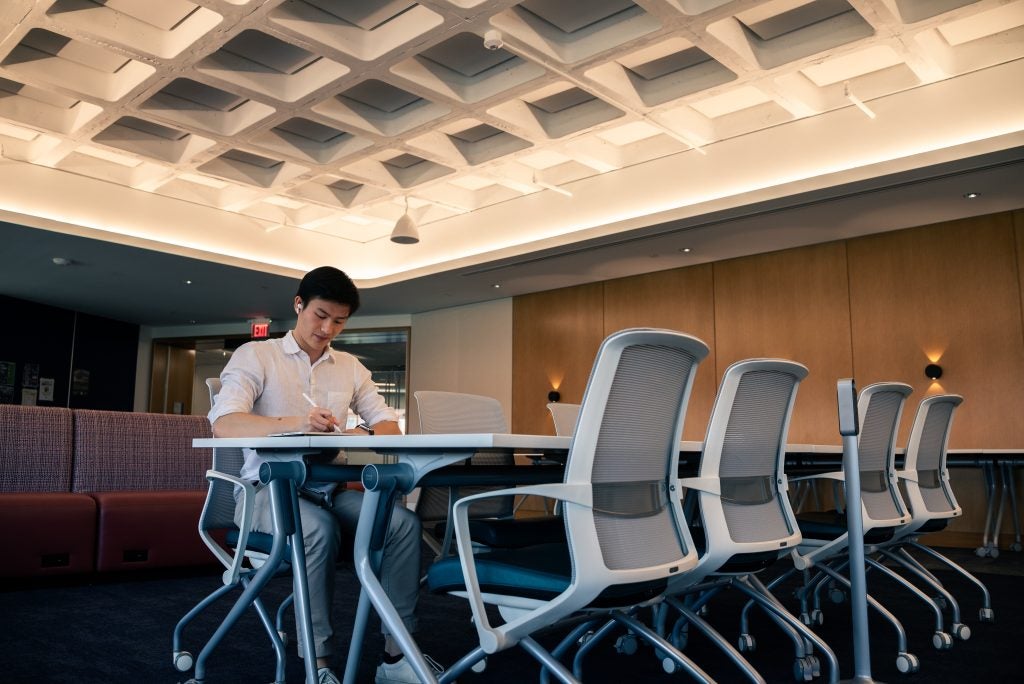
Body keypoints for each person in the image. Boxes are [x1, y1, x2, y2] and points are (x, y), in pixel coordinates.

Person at [209, 266, 435, 684]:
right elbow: (225, 424)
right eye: (320, 315)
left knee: (402, 524)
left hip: (328, 490)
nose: (328, 329)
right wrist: (299, 423)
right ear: (299, 305)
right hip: (265, 491)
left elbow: (389, 427)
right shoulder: (257, 356)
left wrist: (362, 432)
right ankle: (320, 664)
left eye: (339, 321)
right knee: (316, 529)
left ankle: (397, 656)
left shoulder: (349, 366)